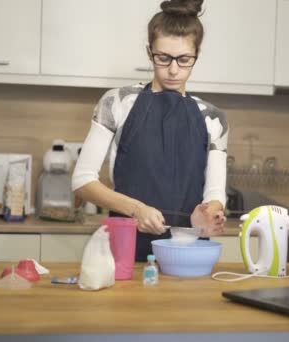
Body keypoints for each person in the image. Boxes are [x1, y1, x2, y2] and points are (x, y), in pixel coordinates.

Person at [72, 0, 228, 262]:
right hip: (126, 252)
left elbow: (214, 194)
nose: (173, 69)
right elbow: (82, 181)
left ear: (197, 54)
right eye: (163, 58)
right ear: (149, 52)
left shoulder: (214, 119)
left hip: (187, 254)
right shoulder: (117, 103)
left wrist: (210, 214)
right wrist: (136, 209)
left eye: (185, 59)